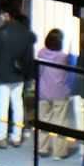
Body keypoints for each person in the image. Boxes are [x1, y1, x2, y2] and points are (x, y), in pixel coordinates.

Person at [0, 3, 33, 149]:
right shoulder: (25, 33)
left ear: (7, 15)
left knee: (2, 105)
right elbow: (28, 55)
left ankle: (1, 136)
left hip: (2, 73)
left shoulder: (1, 32)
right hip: (18, 75)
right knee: (17, 104)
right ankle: (17, 136)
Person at [33, 24, 77, 153]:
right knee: (60, 122)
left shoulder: (41, 53)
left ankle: (42, 148)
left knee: (43, 120)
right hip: (60, 92)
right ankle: (59, 152)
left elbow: (39, 71)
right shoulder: (63, 57)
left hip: (43, 91)